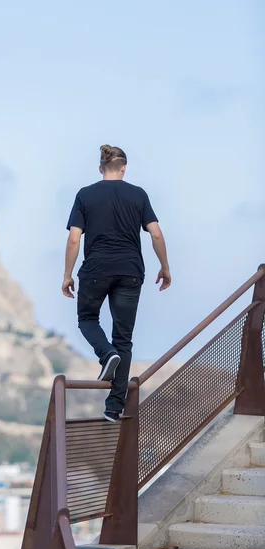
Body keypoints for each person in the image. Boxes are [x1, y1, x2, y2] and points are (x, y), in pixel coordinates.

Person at [62, 144, 171, 422]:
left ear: (101, 168)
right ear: (124, 168)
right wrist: (165, 267)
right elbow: (156, 234)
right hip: (131, 271)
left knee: (87, 318)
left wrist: (67, 274)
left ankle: (105, 353)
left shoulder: (85, 195)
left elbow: (75, 238)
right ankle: (113, 408)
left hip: (96, 269)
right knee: (124, 337)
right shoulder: (138, 195)